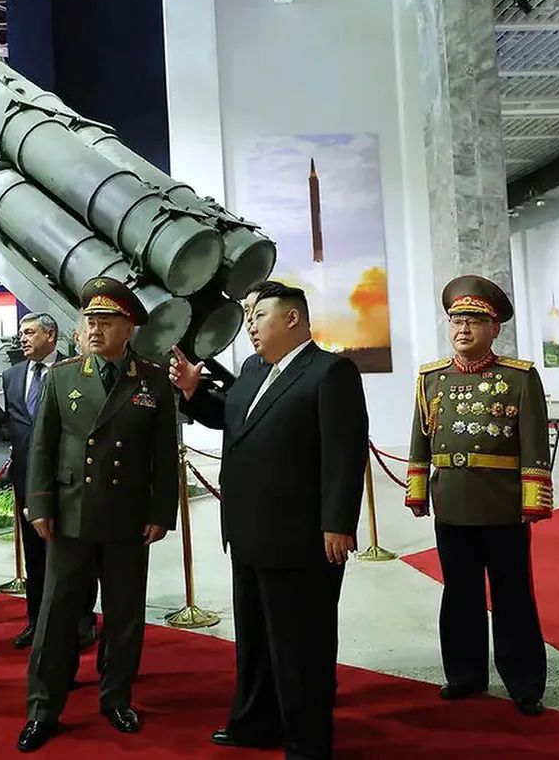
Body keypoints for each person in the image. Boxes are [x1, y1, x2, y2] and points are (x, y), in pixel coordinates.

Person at [169, 280, 368, 759]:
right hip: (250, 531)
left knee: (301, 645)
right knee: (255, 639)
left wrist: (338, 522)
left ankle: (307, 742)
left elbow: (345, 453)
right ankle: (255, 722)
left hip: (302, 538)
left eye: (259, 316)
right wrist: (195, 393)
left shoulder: (329, 372)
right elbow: (233, 416)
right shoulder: (256, 369)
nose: (251, 327)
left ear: (293, 318)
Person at [16, 277, 179, 752]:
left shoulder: (150, 379)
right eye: (89, 320)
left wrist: (160, 511)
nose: (94, 329)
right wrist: (39, 503)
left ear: (129, 327)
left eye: (106, 322)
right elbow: (42, 446)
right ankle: (43, 706)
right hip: (70, 515)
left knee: (124, 614)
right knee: (57, 612)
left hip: (128, 517)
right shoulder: (63, 376)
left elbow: (163, 454)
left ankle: (116, 697)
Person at [404, 275, 552, 717]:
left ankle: (524, 682)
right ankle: (464, 674)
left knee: (513, 596)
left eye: (474, 320)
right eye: (456, 320)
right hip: (451, 506)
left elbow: (533, 442)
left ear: (495, 328)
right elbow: (420, 439)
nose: (463, 328)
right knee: (459, 594)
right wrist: (417, 491)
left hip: (502, 506)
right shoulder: (431, 379)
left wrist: (533, 500)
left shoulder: (518, 378)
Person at [1, 312, 98, 650]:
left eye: (29, 332)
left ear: (52, 336)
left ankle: (82, 621)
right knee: (35, 555)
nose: (22, 338)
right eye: (21, 333)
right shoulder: (12, 377)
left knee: (75, 554)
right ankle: (36, 621)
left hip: (68, 481)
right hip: (28, 481)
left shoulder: (73, 371)